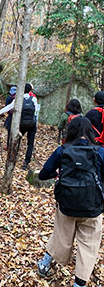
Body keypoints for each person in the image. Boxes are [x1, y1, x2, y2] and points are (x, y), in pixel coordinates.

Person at [37, 116, 103, 287]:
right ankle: (79, 284)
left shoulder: (62, 150)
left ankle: (45, 264)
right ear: (90, 131)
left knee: (61, 236)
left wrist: (58, 172)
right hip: (93, 207)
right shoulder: (100, 152)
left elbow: (43, 174)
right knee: (89, 245)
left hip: (66, 204)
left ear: (71, 130)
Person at [0, 83, 38, 170]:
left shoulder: (18, 99)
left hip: (21, 123)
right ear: (30, 90)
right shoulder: (33, 99)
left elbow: (9, 107)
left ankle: (14, 158)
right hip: (32, 124)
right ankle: (26, 162)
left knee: (17, 140)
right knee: (30, 143)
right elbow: (36, 111)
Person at [2, 86, 17, 150]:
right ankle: (15, 146)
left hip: (11, 117)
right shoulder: (21, 98)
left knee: (9, 132)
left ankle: (9, 146)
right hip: (19, 117)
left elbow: (6, 107)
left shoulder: (9, 98)